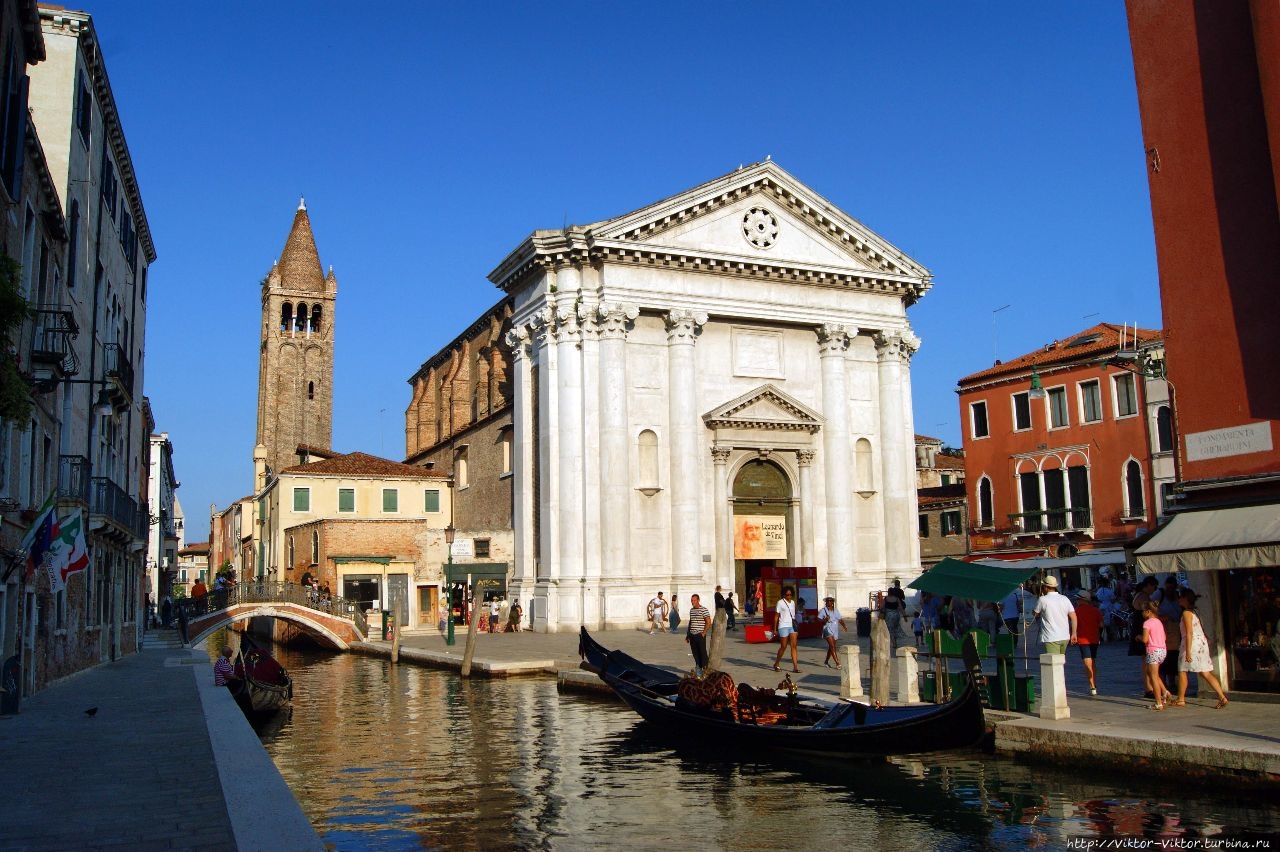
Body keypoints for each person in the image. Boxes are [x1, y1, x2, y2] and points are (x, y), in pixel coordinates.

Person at [1174, 589, 1229, 709]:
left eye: (1180, 597)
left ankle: (1181, 698)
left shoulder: (1186, 613)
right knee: (1205, 672)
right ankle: (1222, 696)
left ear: (1185, 599)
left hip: (1192, 644)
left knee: (1182, 670)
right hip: (1201, 644)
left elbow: (1189, 632)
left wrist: (1188, 651)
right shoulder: (1196, 612)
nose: (1179, 599)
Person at [1141, 599, 1175, 710]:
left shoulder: (1147, 623)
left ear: (1148, 611)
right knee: (1152, 673)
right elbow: (1164, 637)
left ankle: (1158, 702)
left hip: (1153, 650)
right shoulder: (1159, 621)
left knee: (1153, 677)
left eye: (1143, 611)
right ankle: (1165, 692)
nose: (1142, 613)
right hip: (1162, 650)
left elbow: (1145, 639)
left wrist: (1139, 637)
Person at [1033, 575, 1077, 655]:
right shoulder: (1064, 598)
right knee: (1060, 662)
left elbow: (1035, 614)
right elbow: (1073, 617)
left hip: (1051, 637)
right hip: (1065, 636)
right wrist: (1074, 633)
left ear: (1045, 587)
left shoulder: (1042, 599)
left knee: (1054, 664)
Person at [1156, 576, 1183, 694]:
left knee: (1173, 658)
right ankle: (1164, 684)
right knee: (1164, 658)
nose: (1170, 589)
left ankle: (1172, 683)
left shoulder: (1177, 595)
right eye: (1168, 586)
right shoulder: (1160, 594)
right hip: (1164, 630)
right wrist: (1161, 618)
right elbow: (1150, 606)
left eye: (1172, 587)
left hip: (1176, 631)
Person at [1074, 589, 1103, 696]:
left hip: (1082, 639)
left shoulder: (1076, 611)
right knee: (1093, 662)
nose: (1076, 600)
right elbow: (1101, 625)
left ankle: (1092, 686)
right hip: (1094, 639)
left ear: (1082, 600)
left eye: (1078, 598)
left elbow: (1072, 624)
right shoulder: (1096, 610)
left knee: (1087, 662)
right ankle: (1094, 683)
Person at [772, 585, 801, 674]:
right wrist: (775, 628)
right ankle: (776, 663)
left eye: (790, 594)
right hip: (783, 626)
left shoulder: (793, 602)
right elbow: (776, 616)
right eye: (787, 595)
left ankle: (795, 667)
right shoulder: (780, 603)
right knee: (783, 646)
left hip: (792, 626)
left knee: (794, 646)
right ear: (784, 595)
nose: (789, 596)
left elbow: (794, 613)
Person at [685, 594, 711, 677]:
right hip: (692, 635)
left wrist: (703, 633)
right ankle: (698, 668)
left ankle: (705, 670)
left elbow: (708, 622)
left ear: (698, 600)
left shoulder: (704, 610)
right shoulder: (691, 610)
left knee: (702, 653)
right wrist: (688, 635)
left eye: (694, 600)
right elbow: (691, 622)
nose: (693, 602)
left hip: (700, 635)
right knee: (695, 653)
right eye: (692, 600)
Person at [818, 596, 847, 668]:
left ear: (833, 602)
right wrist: (825, 620)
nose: (829, 602)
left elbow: (840, 619)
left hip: (835, 630)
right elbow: (819, 619)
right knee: (832, 646)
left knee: (832, 647)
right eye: (827, 601)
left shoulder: (836, 610)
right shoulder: (823, 610)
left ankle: (826, 661)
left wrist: (844, 626)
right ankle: (838, 663)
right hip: (827, 629)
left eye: (830, 601)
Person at [883, 580, 906, 650]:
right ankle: (895, 641)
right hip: (896, 614)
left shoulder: (886, 598)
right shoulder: (897, 598)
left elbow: (883, 607)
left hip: (889, 615)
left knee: (890, 629)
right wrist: (904, 616)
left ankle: (894, 643)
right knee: (895, 628)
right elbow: (901, 607)